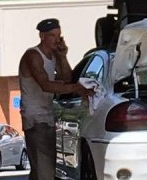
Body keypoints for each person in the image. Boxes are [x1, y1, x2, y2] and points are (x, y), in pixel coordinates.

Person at [19, 18, 93, 180]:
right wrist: (77, 89)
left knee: (41, 169)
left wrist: (62, 57)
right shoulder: (33, 55)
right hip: (36, 119)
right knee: (44, 170)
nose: (57, 39)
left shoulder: (54, 56)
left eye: (59, 35)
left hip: (47, 116)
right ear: (42, 36)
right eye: (52, 35)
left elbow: (67, 78)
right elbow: (46, 85)